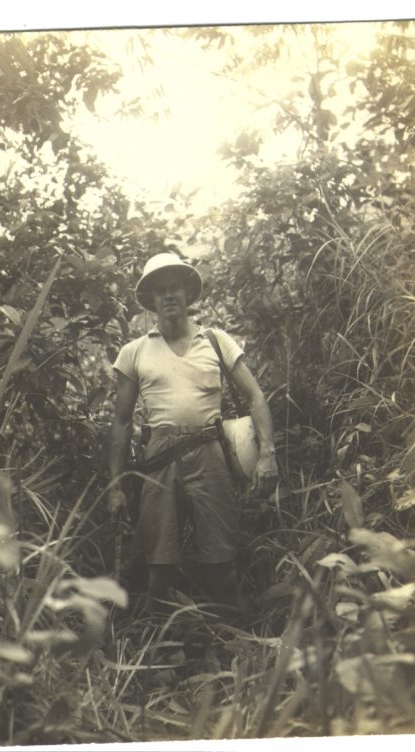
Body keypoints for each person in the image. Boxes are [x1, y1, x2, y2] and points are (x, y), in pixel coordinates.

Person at [108, 251, 278, 613]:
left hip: (210, 451)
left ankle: (239, 650)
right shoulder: (134, 352)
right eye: (160, 290)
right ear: (152, 300)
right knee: (160, 572)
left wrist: (267, 454)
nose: (169, 296)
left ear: (187, 293)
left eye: (175, 288)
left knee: (221, 569)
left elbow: (256, 396)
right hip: (158, 458)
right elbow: (122, 422)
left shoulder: (216, 341)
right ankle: (164, 662)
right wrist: (116, 486)